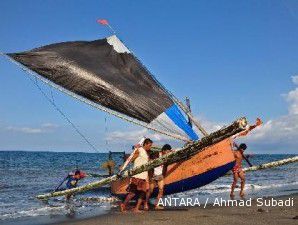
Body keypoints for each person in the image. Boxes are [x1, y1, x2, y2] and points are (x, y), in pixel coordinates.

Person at [119, 138, 153, 212]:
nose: (150, 147)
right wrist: (123, 166)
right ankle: (123, 204)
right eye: (149, 145)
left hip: (143, 176)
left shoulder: (146, 153)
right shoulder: (139, 150)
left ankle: (136, 208)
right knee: (132, 193)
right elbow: (130, 159)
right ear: (145, 144)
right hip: (137, 175)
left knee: (143, 192)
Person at [147, 144, 172, 209]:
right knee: (150, 190)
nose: (168, 152)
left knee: (161, 190)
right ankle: (145, 203)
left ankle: (156, 205)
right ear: (163, 150)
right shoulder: (156, 154)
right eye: (167, 151)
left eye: (169, 151)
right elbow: (149, 161)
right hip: (153, 175)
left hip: (160, 175)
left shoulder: (167, 157)